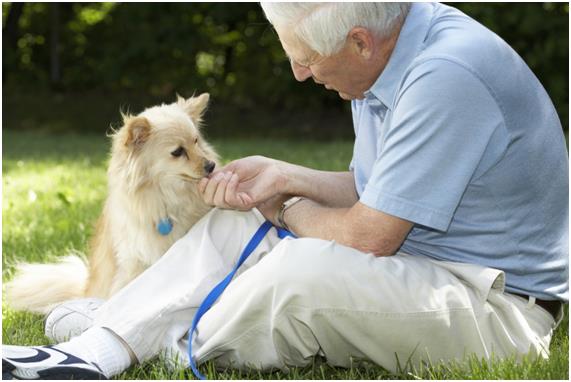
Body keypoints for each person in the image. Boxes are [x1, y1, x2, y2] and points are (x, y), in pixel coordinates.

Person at [3, 2, 568, 380]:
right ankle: (104, 341)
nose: (299, 73)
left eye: (306, 58)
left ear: (359, 42)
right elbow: (378, 190)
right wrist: (283, 177)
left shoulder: (445, 77)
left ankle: (151, 335)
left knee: (298, 274)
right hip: (431, 262)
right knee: (238, 219)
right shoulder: (390, 53)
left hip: (498, 307)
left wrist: (287, 206)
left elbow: (371, 233)